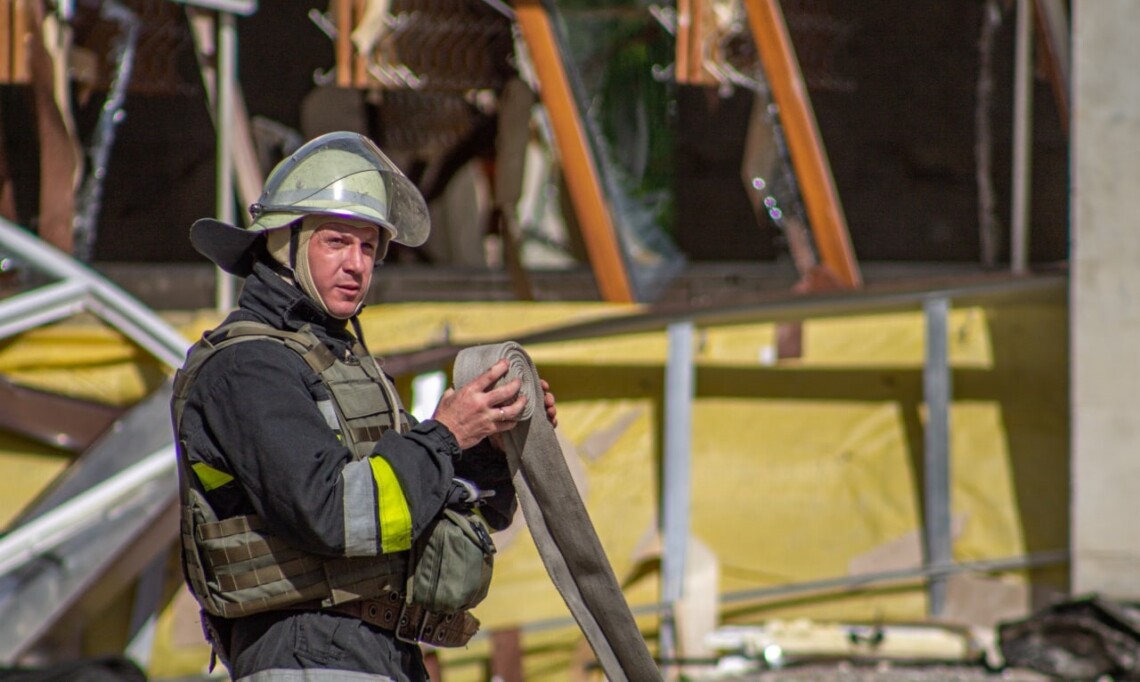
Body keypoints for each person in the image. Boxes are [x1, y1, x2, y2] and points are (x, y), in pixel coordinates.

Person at [170, 130, 557, 681]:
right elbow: (335, 515)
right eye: (336, 242)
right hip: (304, 653)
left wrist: (489, 443)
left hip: (374, 653)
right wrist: (446, 435)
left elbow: (414, 505)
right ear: (285, 243)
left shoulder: (339, 362)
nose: (357, 264)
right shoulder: (250, 367)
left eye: (370, 247)